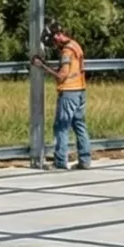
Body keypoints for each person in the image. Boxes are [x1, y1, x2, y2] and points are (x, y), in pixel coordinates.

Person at [35, 22, 92, 169]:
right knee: (79, 125)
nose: (54, 45)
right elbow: (69, 68)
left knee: (61, 126)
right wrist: (47, 65)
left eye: (53, 41)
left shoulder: (66, 51)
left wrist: (42, 67)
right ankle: (85, 160)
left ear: (58, 35)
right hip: (80, 90)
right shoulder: (75, 45)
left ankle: (60, 161)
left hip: (69, 92)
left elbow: (62, 75)